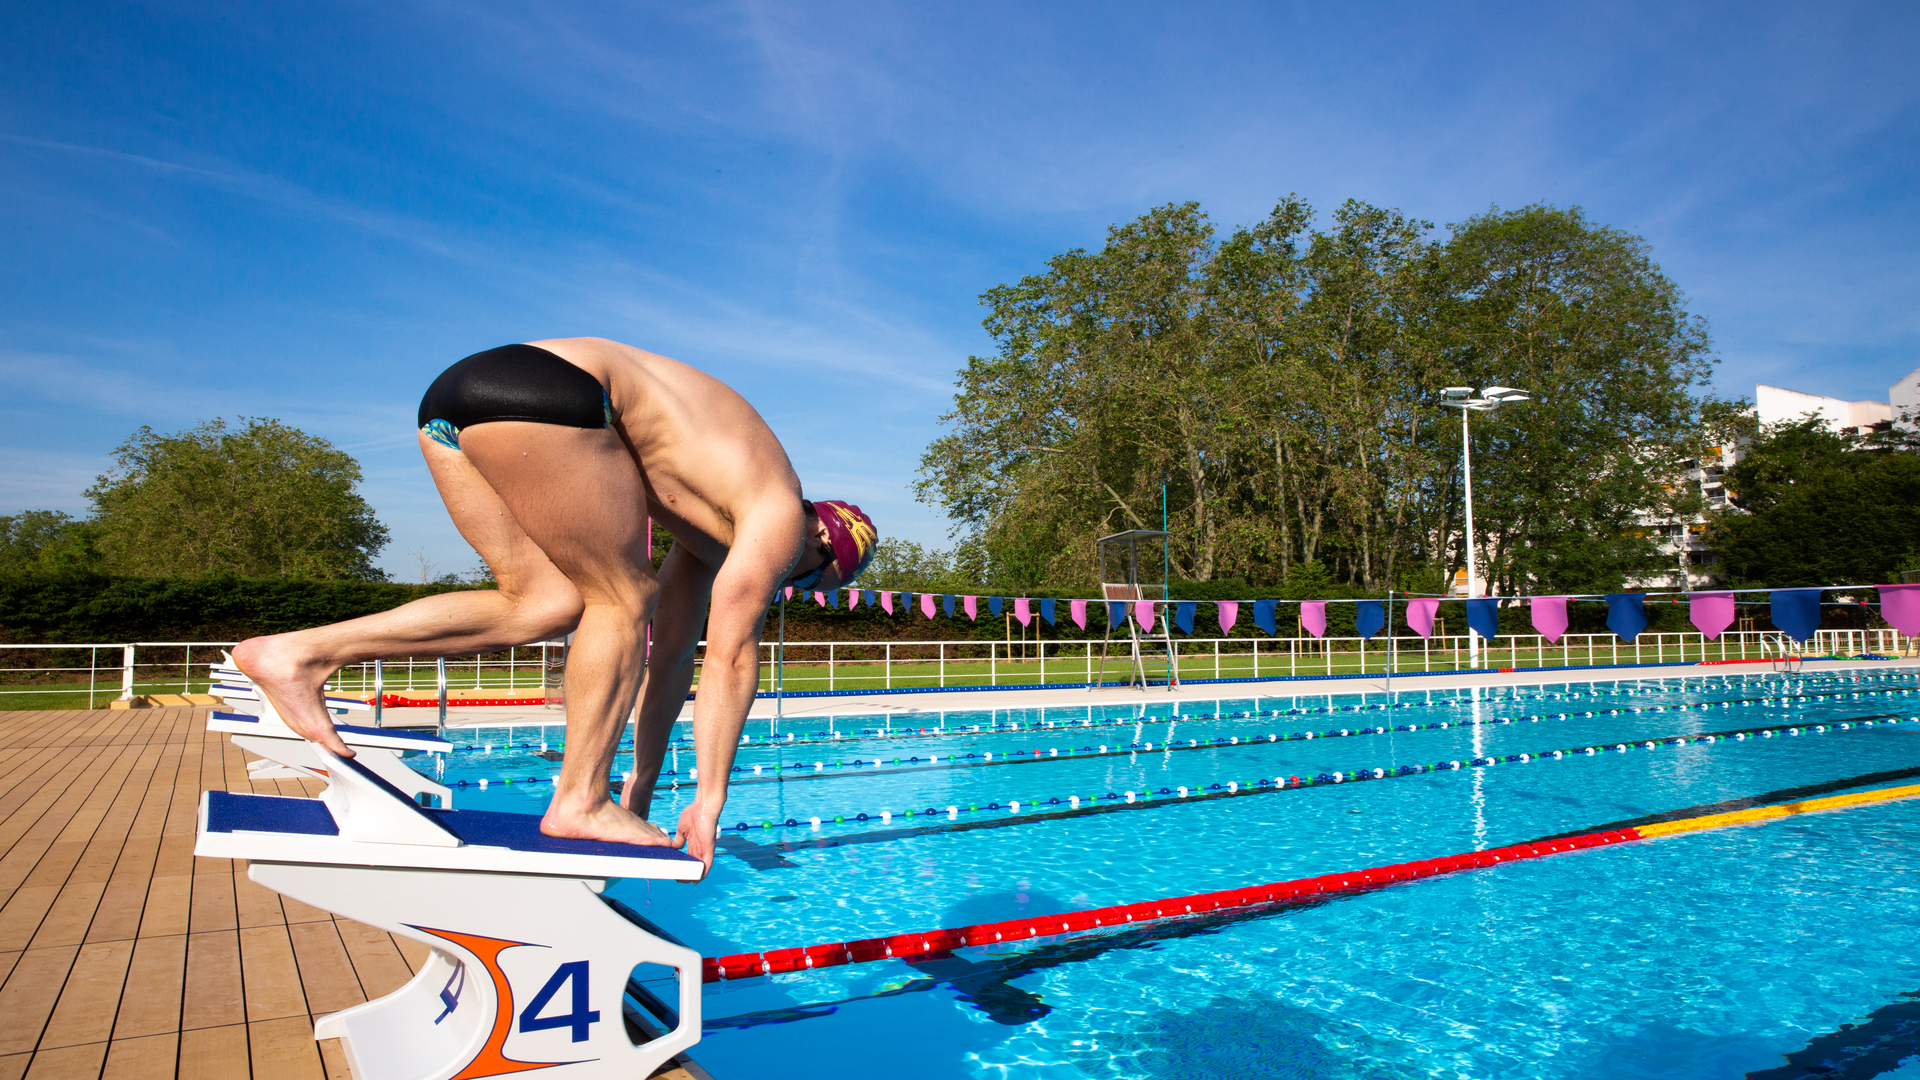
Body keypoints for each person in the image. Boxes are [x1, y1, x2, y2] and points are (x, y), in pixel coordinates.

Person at [232, 338, 876, 875]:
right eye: (810, 581)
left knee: (542, 602)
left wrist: (642, 788)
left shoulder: (705, 535)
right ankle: (577, 798)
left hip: (455, 403)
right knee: (623, 596)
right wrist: (710, 801)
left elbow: (675, 662)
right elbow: (731, 657)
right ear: (825, 544)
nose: (788, 585)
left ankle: (297, 653)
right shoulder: (782, 511)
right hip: (552, 389)